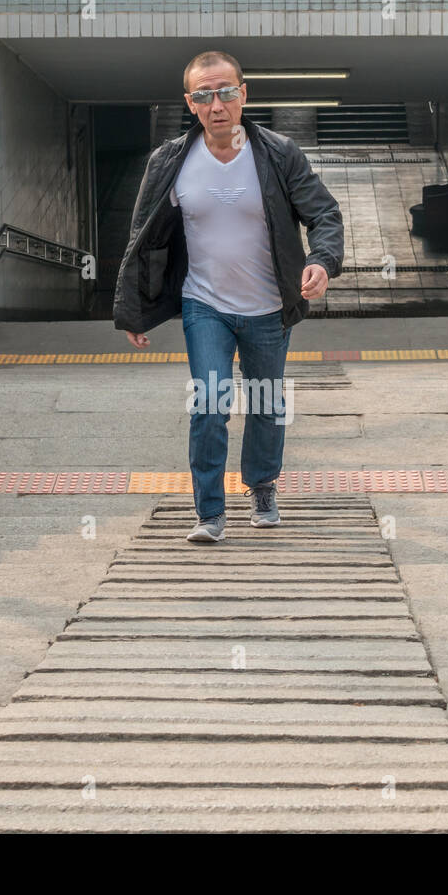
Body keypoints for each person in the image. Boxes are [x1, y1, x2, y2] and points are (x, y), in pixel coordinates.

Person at [113, 50, 344, 542]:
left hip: (267, 306)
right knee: (210, 401)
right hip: (205, 304)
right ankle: (210, 513)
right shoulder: (171, 161)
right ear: (189, 103)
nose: (215, 104)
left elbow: (324, 215)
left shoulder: (279, 153)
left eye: (224, 92)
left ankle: (261, 485)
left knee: (265, 402)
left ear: (243, 94)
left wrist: (321, 262)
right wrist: (133, 308)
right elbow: (143, 237)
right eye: (203, 95)